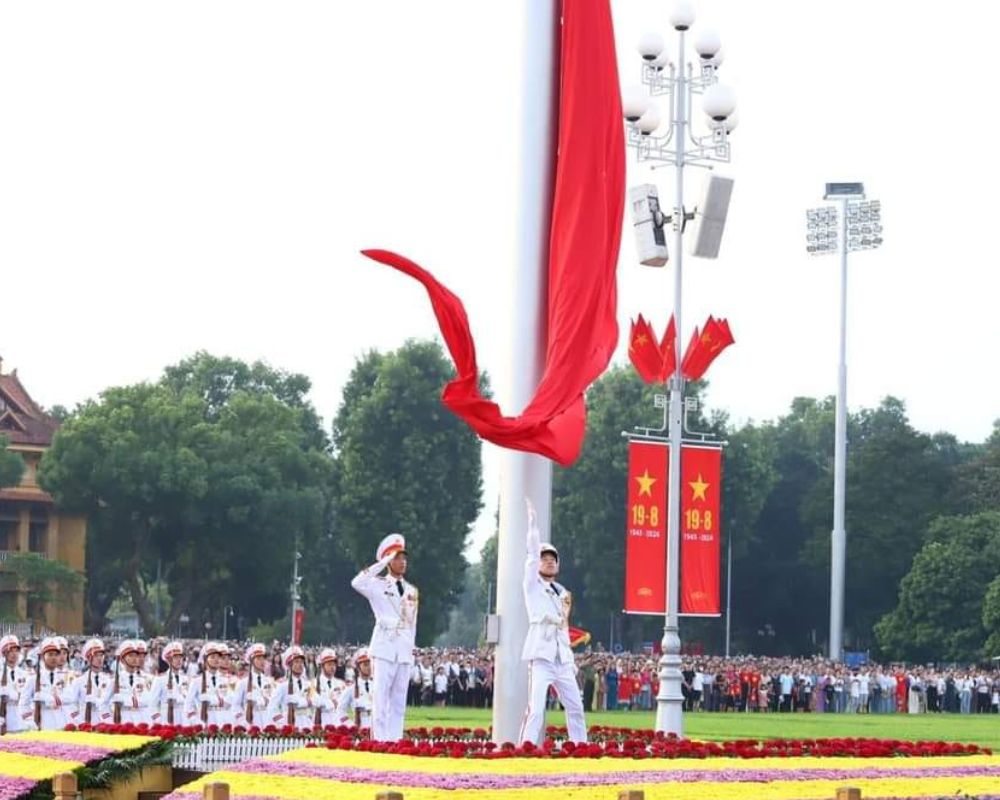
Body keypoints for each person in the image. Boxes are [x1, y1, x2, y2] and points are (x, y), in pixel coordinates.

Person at [517, 499, 587, 745]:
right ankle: (525, 748)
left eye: (553, 558)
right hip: (542, 656)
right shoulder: (532, 585)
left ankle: (581, 749)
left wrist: (571, 658)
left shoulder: (563, 592)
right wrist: (533, 524)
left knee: (576, 707)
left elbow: (564, 627)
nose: (549, 561)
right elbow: (531, 552)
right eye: (544, 558)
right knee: (536, 709)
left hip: (562, 657)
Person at [351, 532, 419, 741]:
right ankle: (379, 741)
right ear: (388, 560)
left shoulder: (411, 590)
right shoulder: (378, 584)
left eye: (404, 558)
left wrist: (411, 651)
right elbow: (357, 582)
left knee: (399, 701)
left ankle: (394, 739)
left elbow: (411, 624)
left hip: (403, 651)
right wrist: (382, 562)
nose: (402, 562)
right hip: (384, 648)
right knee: (380, 698)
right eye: (397, 558)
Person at [100, 640, 154, 725]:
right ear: (123, 659)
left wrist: (126, 701)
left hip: (142, 721)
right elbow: (103, 704)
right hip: (123, 722)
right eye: (131, 656)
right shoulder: (115, 680)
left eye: (136, 655)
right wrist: (109, 721)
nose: (135, 658)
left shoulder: (145, 679)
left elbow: (149, 701)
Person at [21, 637, 70, 730]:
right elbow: (23, 704)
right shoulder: (33, 678)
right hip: (43, 722)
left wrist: (48, 698)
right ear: (43, 657)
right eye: (50, 655)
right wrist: (31, 721)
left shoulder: (64, 677)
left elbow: (70, 697)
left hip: (61, 722)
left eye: (56, 655)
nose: (54, 658)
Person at [184, 642, 237, 726]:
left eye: (218, 657)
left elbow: (233, 700)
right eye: (212, 657)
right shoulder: (197, 681)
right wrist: (197, 722)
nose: (216, 660)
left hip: (224, 723)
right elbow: (188, 706)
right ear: (205, 660)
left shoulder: (226, 680)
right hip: (205, 724)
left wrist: (214, 700)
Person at [266, 645, 316, 731]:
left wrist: (301, 702)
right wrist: (282, 722)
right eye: (296, 662)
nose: (300, 665)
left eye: (301, 662)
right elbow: (272, 707)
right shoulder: (282, 685)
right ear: (289, 665)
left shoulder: (308, 684)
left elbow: (315, 702)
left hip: (307, 723)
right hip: (289, 722)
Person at [65, 638, 112, 726]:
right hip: (85, 722)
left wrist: (107, 721)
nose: (99, 658)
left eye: (101, 655)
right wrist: (81, 722)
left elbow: (110, 705)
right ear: (88, 658)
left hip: (105, 724)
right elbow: (72, 706)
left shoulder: (108, 680)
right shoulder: (79, 680)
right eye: (96, 655)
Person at [231, 643, 275, 728]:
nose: (262, 661)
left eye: (263, 658)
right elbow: (236, 706)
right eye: (258, 658)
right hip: (251, 723)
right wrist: (243, 722)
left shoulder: (269, 681)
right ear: (251, 661)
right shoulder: (243, 683)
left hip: (267, 722)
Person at [0, 635, 33, 733]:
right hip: (4, 717)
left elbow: (29, 697)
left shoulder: (25, 674)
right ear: (3, 653)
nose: (14, 654)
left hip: (21, 718)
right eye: (10, 651)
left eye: (16, 650)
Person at [314, 648, 350, 728]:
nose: (332, 667)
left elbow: (345, 705)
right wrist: (331, 703)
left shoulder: (341, 684)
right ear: (322, 666)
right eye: (329, 664)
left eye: (334, 664)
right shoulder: (314, 683)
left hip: (337, 722)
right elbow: (315, 701)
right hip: (321, 721)